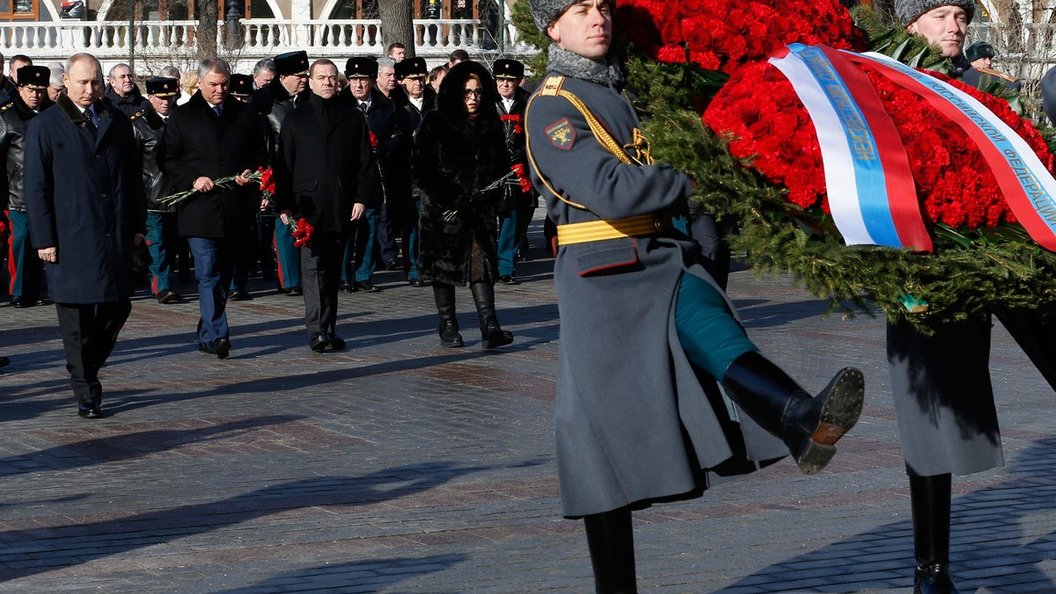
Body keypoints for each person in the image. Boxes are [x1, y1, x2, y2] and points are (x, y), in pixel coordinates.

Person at [524, 1, 867, 592]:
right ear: (552, 26)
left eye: (601, 7)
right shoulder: (553, 103)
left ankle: (799, 416)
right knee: (604, 446)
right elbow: (611, 188)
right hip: (603, 279)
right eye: (578, 10)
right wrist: (695, 178)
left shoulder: (628, 87)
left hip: (663, 256)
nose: (597, 18)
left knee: (717, 329)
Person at [892, 2, 1056, 592]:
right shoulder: (884, 88)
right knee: (929, 417)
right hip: (930, 268)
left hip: (1010, 255)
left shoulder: (988, 89)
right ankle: (930, 566)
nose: (956, 25)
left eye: (960, 14)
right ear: (910, 26)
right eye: (939, 15)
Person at [24, 52, 146, 419]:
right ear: (66, 83)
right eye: (82, 82)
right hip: (70, 235)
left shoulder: (118, 122)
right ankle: (86, 390)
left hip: (113, 233)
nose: (89, 89)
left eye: (95, 82)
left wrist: (137, 225)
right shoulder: (46, 125)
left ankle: (85, 366)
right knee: (75, 317)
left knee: (118, 304)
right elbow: (36, 187)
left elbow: (133, 178)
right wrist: (44, 238)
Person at [162, 57, 269, 359]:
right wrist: (193, 179)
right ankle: (219, 334)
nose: (220, 90)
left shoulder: (244, 115)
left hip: (236, 208)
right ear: (200, 83)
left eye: (225, 84)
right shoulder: (183, 117)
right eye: (213, 84)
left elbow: (259, 153)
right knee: (207, 273)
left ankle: (207, 330)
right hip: (200, 209)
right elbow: (169, 160)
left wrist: (250, 172)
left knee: (224, 274)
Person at [412, 61, 517, 349]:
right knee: (443, 267)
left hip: (479, 211)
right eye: (468, 93)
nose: (474, 98)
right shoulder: (435, 122)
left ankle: (489, 324)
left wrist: (493, 193)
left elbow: (499, 165)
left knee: (481, 264)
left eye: (479, 93)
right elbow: (422, 169)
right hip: (444, 211)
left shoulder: (490, 124)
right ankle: (447, 323)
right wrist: (452, 196)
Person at [275, 59, 375, 352]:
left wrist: (361, 198)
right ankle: (317, 330)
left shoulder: (352, 117)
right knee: (313, 267)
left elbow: (365, 162)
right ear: (311, 80)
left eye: (332, 78)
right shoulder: (297, 118)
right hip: (308, 205)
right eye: (322, 78)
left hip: (342, 203)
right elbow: (284, 165)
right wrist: (284, 205)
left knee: (333, 269)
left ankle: (329, 329)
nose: (328, 83)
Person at [339, 57, 402, 293]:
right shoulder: (339, 105)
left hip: (375, 174)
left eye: (362, 80)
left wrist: (382, 147)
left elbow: (397, 135)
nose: (357, 85)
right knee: (347, 228)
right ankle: (344, 275)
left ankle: (365, 274)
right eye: (353, 79)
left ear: (372, 80)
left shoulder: (385, 105)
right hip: (347, 176)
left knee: (370, 225)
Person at [251, 51, 310, 298]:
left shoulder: (310, 99)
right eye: (299, 75)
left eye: (306, 75)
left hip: (307, 173)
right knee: (284, 226)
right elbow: (258, 143)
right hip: (277, 173)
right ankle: (290, 280)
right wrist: (264, 180)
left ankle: (306, 276)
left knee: (305, 224)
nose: (304, 80)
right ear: (283, 76)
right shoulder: (264, 102)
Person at [1, 66, 54, 309]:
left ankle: (39, 289)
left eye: (41, 90)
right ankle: (20, 290)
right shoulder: (7, 116)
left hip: (49, 192)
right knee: (21, 241)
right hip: (17, 193)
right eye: (31, 90)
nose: (36, 95)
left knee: (44, 242)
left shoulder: (53, 114)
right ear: (20, 88)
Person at [135, 76, 181, 304]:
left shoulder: (180, 119)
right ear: (150, 97)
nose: (166, 102)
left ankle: (168, 281)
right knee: (158, 244)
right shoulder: (138, 124)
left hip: (179, 194)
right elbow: (132, 164)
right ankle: (161, 287)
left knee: (172, 244)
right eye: (160, 97)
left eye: (170, 97)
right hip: (152, 196)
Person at [394, 56, 437, 287]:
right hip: (408, 176)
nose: (418, 83)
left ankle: (429, 266)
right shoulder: (396, 104)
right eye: (413, 79)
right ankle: (413, 268)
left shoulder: (434, 102)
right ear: (403, 81)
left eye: (421, 78)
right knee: (412, 225)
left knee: (430, 224)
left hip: (432, 175)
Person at [492, 58, 533, 285]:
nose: (505, 85)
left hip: (518, 169)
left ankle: (506, 265)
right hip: (491, 169)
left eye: (510, 80)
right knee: (488, 218)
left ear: (518, 81)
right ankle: (488, 263)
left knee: (513, 217)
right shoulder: (486, 100)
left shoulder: (528, 102)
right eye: (500, 80)